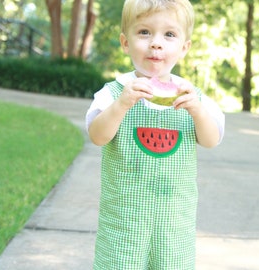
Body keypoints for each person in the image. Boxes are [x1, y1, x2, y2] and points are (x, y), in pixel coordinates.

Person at [85, 0, 225, 269]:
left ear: (184, 48)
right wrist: (122, 105)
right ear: (125, 43)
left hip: (174, 222)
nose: (156, 43)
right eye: (145, 32)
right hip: (123, 219)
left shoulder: (191, 97)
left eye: (169, 34)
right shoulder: (113, 94)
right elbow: (97, 136)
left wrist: (197, 111)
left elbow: (211, 140)